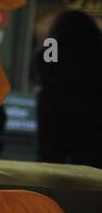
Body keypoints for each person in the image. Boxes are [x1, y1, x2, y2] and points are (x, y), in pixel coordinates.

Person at [35, 9, 102, 167]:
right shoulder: (95, 58)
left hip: (55, 111)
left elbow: (49, 151)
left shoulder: (52, 54)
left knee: (51, 163)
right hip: (92, 120)